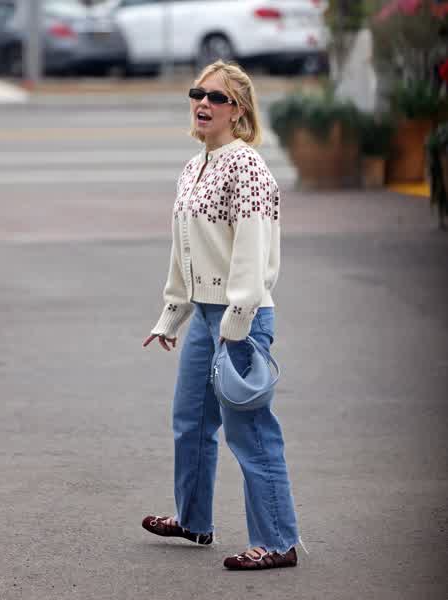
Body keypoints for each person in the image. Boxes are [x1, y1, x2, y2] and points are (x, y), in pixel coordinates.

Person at [142, 60, 308, 571]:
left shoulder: (247, 167)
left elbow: (253, 254)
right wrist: (173, 314)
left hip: (241, 318)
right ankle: (193, 519)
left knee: (250, 432)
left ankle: (277, 541)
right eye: (198, 94)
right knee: (190, 420)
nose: (203, 104)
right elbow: (186, 249)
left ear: (238, 111)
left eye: (217, 98)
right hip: (205, 315)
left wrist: (235, 325)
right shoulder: (194, 166)